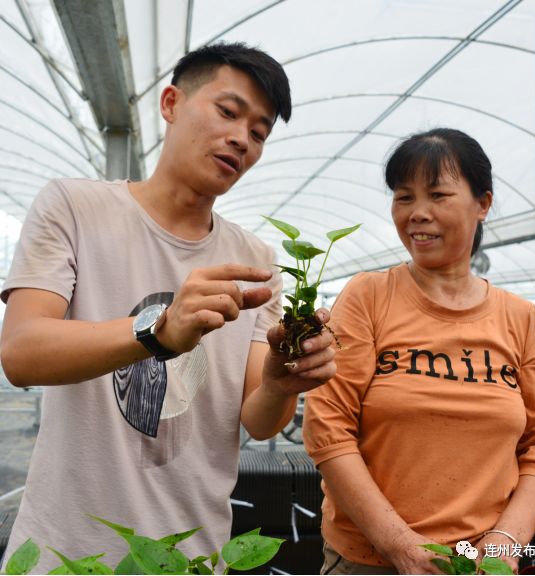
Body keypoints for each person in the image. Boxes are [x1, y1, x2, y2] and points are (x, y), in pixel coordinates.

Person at [0, 42, 336, 573]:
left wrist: (280, 382)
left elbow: (259, 419)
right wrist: (157, 331)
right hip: (66, 551)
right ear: (172, 103)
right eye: (228, 112)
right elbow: (21, 352)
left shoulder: (256, 261)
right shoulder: (75, 207)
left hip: (192, 555)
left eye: (259, 132)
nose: (241, 139)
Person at [303, 128, 535, 575]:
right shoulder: (369, 296)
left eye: (438, 195)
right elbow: (328, 429)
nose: (417, 214)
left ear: (483, 204)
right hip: (370, 562)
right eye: (403, 198)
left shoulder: (520, 318)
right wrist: (397, 544)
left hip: (479, 566)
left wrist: (504, 543)